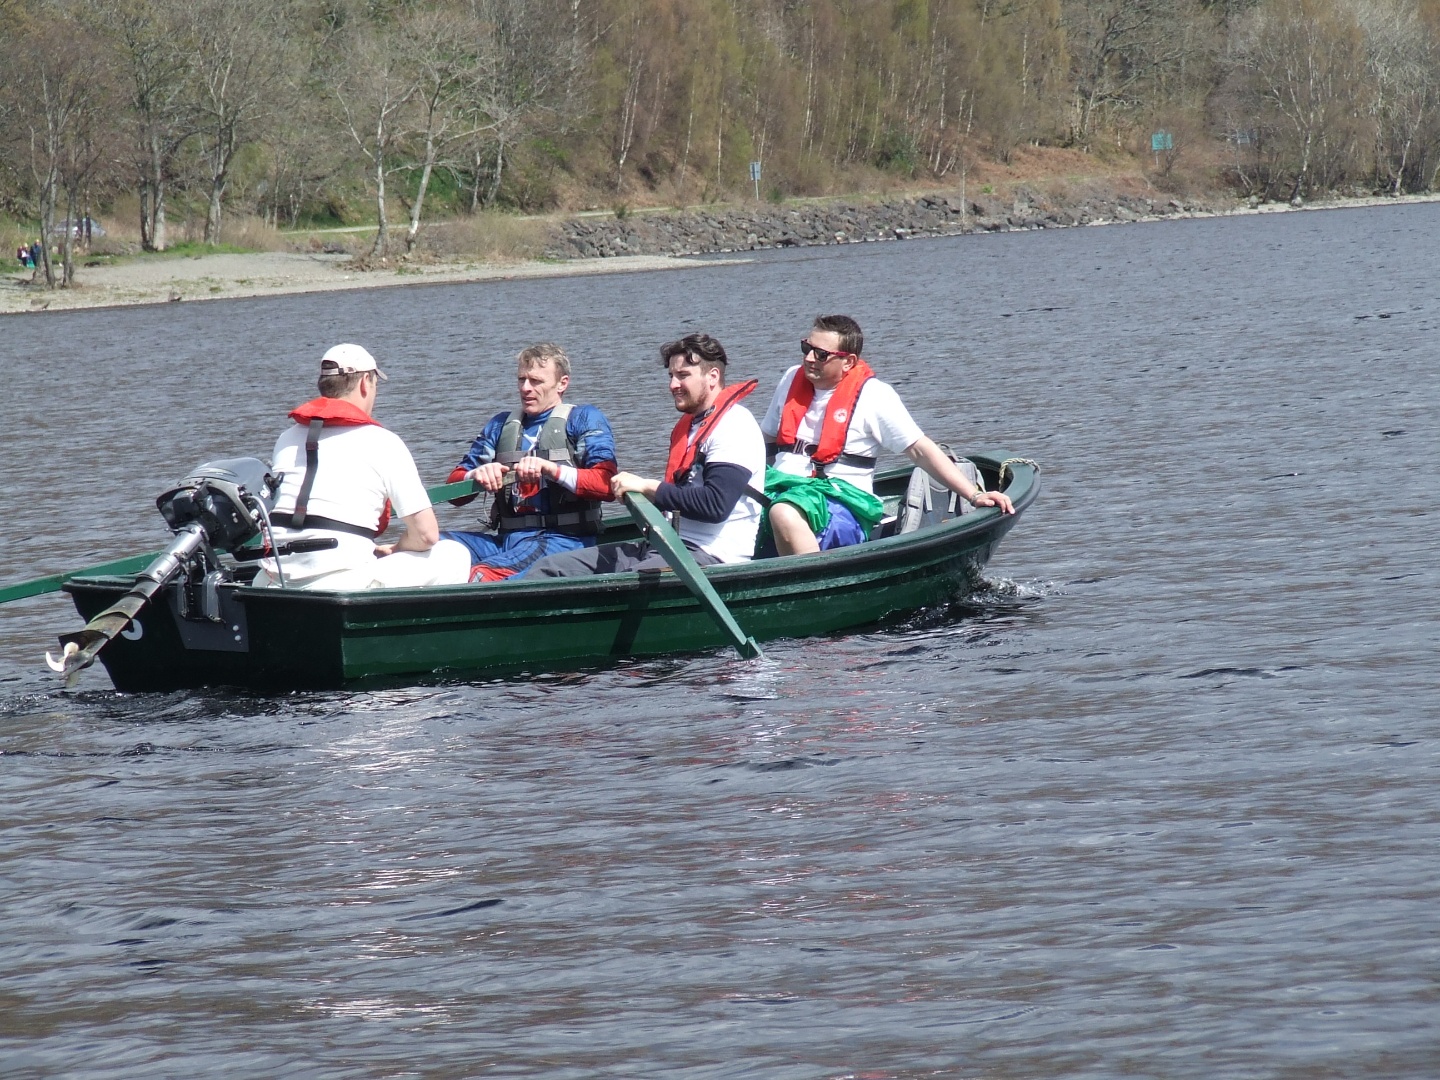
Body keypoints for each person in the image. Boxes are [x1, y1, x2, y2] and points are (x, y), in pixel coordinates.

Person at [759, 314, 1014, 556]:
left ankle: (813, 589)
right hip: (783, 487)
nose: (810, 358)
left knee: (784, 512)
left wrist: (975, 495)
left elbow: (920, 450)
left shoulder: (875, 396)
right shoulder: (791, 379)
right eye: (807, 348)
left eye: (821, 354)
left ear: (848, 361)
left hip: (840, 502)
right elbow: (765, 439)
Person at [528, 333, 765, 577]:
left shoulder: (734, 425)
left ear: (712, 376)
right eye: (671, 376)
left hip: (710, 557)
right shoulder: (691, 426)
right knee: (549, 568)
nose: (673, 384)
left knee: (615, 585)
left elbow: (715, 506)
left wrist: (647, 487)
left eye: (683, 376)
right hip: (666, 546)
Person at [254, 343, 471, 590]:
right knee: (454, 554)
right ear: (365, 383)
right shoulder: (382, 442)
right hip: (339, 585)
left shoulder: (286, 439)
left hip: (272, 581)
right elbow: (426, 535)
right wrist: (397, 550)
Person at [441, 343, 618, 581]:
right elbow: (454, 493)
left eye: (536, 381)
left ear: (562, 383)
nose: (525, 388)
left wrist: (552, 469)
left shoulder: (585, 419)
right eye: (521, 379)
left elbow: (606, 485)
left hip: (562, 541)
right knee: (425, 546)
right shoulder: (499, 426)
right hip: (505, 540)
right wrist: (477, 475)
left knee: (484, 574)